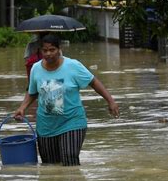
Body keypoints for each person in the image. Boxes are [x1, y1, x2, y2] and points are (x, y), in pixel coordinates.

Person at [14, 34, 119, 166]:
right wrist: (22, 108)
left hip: (72, 121)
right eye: (45, 50)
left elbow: (93, 82)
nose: (48, 54)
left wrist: (111, 101)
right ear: (40, 51)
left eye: (52, 50)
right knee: (50, 166)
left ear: (59, 49)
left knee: (70, 160)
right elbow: (32, 92)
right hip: (46, 125)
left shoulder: (73, 66)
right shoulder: (36, 68)